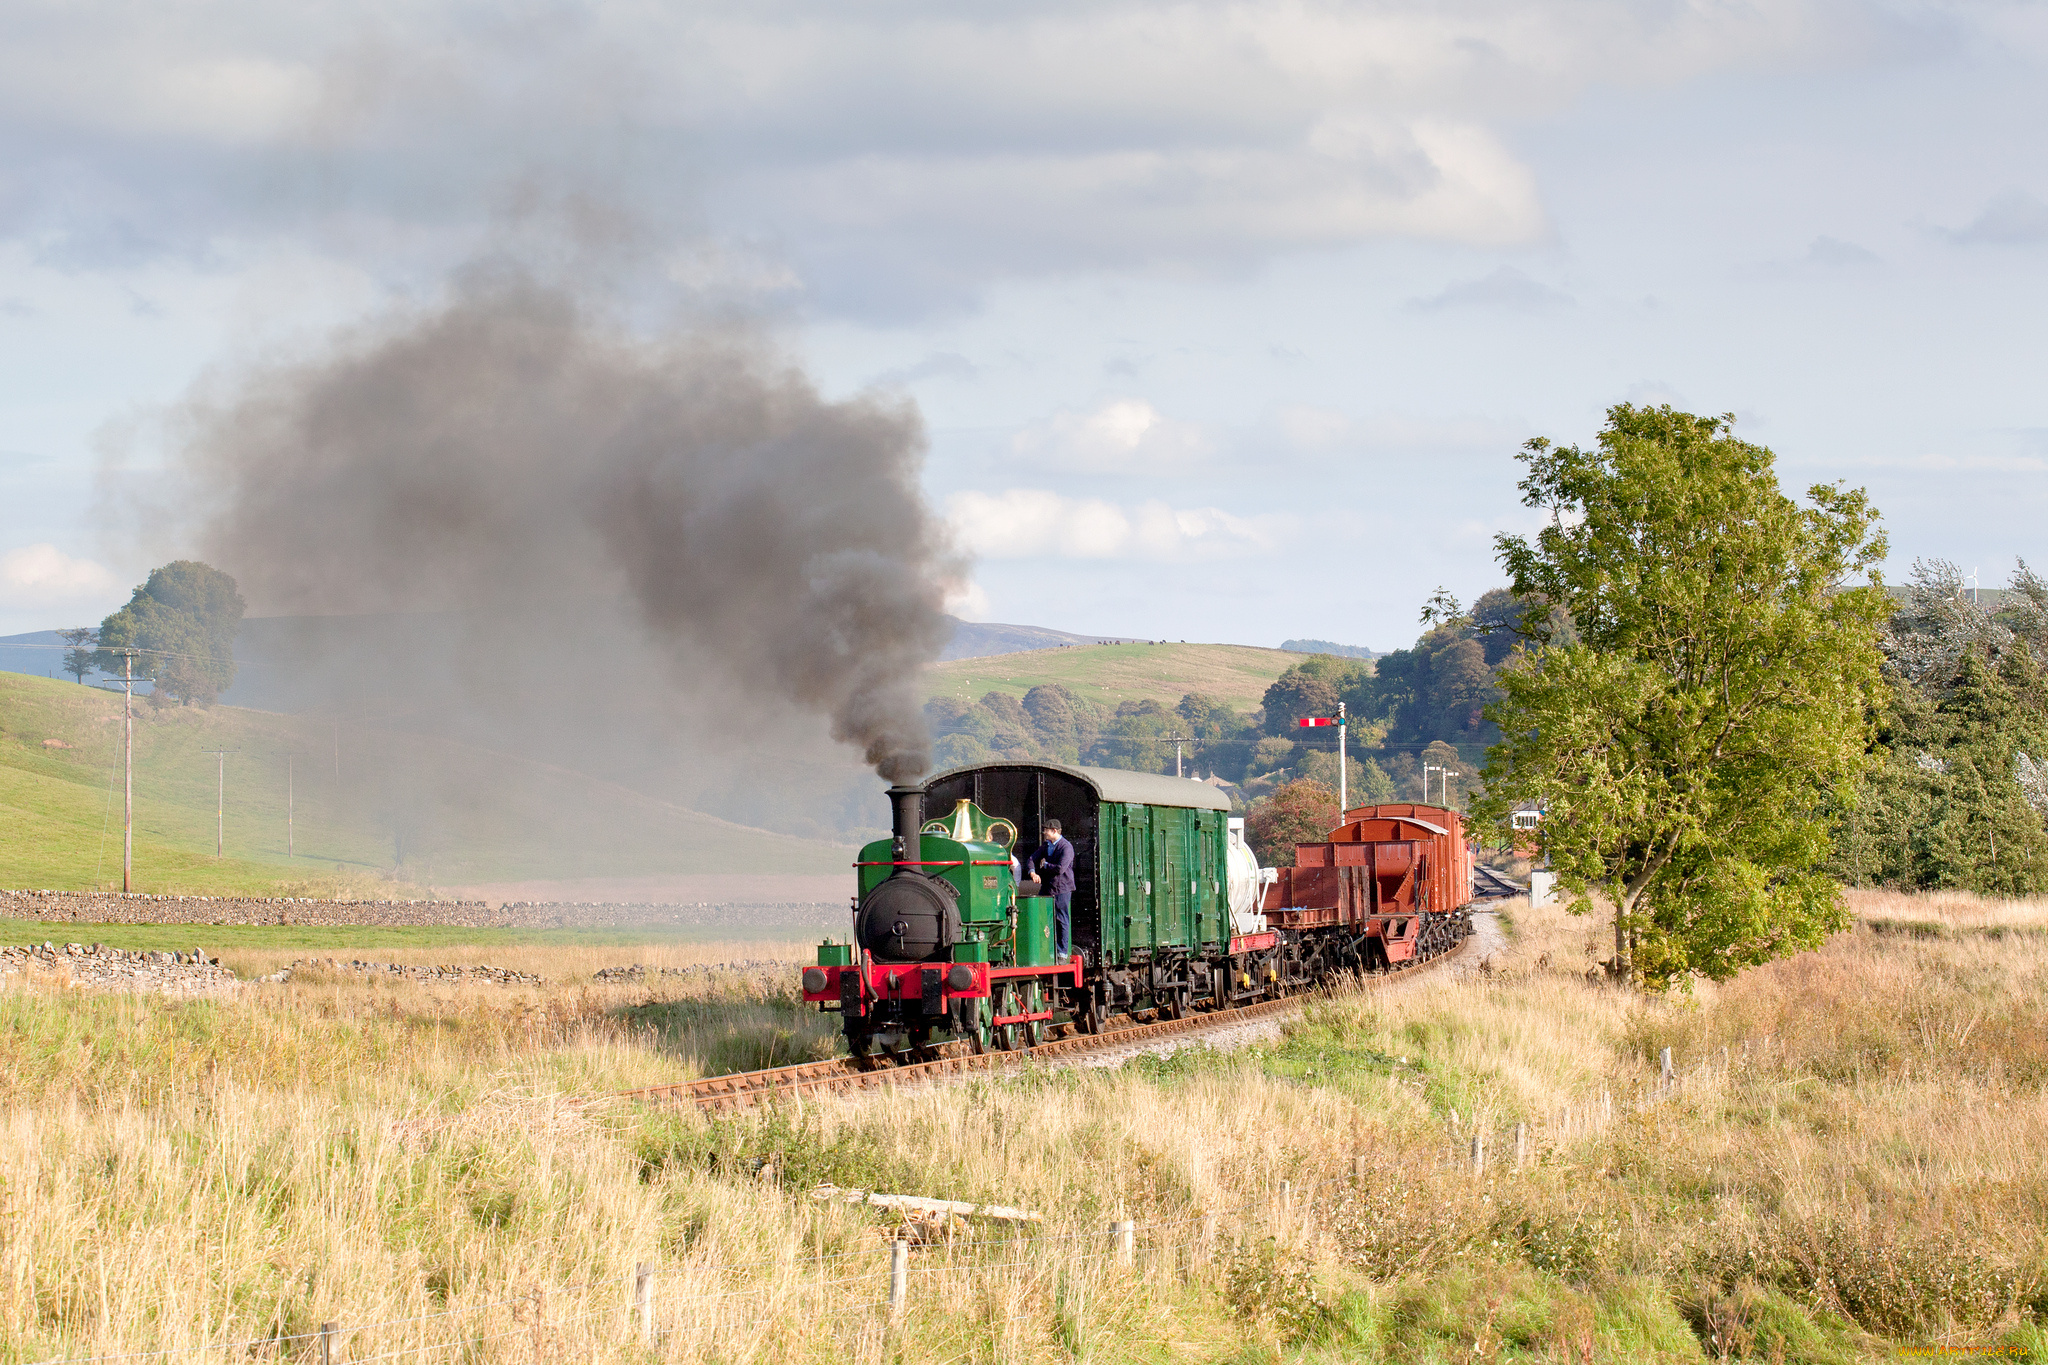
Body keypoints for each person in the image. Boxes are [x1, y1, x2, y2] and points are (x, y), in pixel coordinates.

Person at [1027, 819, 1077, 961]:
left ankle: (1062, 952)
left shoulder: (1066, 847)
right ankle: (1047, 951)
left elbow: (1060, 868)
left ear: (1054, 831)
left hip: (1062, 888)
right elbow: (1032, 858)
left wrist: (1046, 865)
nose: (1044, 833)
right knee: (1044, 917)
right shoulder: (1046, 845)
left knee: (1062, 919)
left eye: (1047, 830)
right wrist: (1032, 872)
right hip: (1048, 888)